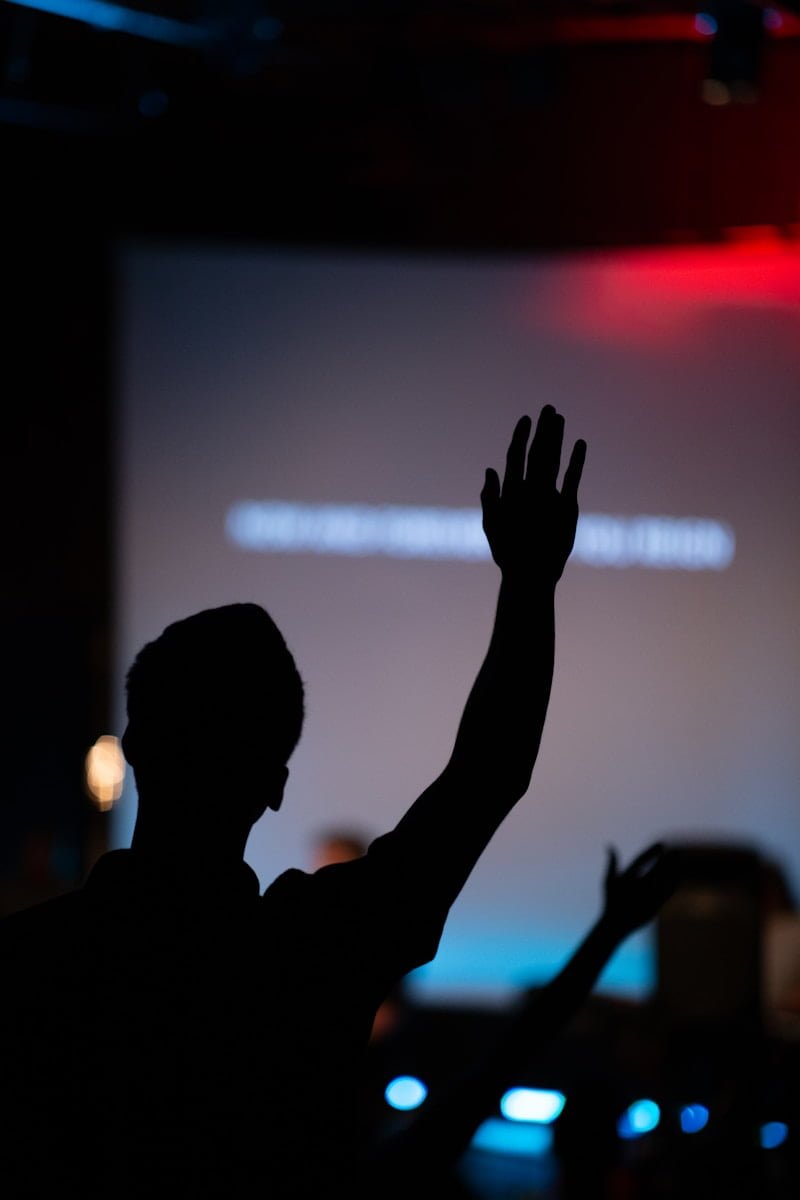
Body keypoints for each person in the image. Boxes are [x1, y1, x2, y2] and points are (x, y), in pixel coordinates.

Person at [0, 405, 585, 1198]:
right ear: (276, 782)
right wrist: (528, 585)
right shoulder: (315, 951)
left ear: (134, 746)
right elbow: (489, 772)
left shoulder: (31, 965)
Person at [366, 842, 678, 1199]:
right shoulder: (399, 1169)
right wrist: (609, 931)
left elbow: (512, 1054)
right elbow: (516, 1050)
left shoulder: (386, 1171)